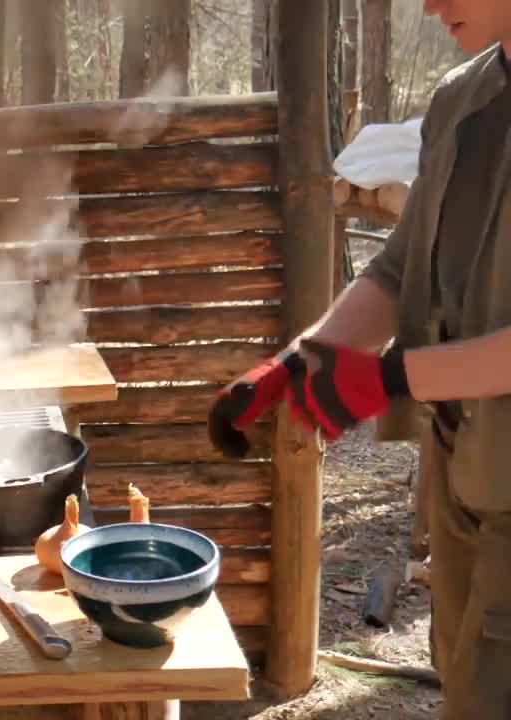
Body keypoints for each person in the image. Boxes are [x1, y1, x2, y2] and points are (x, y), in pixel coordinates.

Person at [209, 2, 511, 717]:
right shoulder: (460, 98)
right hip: (466, 476)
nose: (429, 4)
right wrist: (298, 362)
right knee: (466, 686)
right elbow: (400, 269)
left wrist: (389, 379)